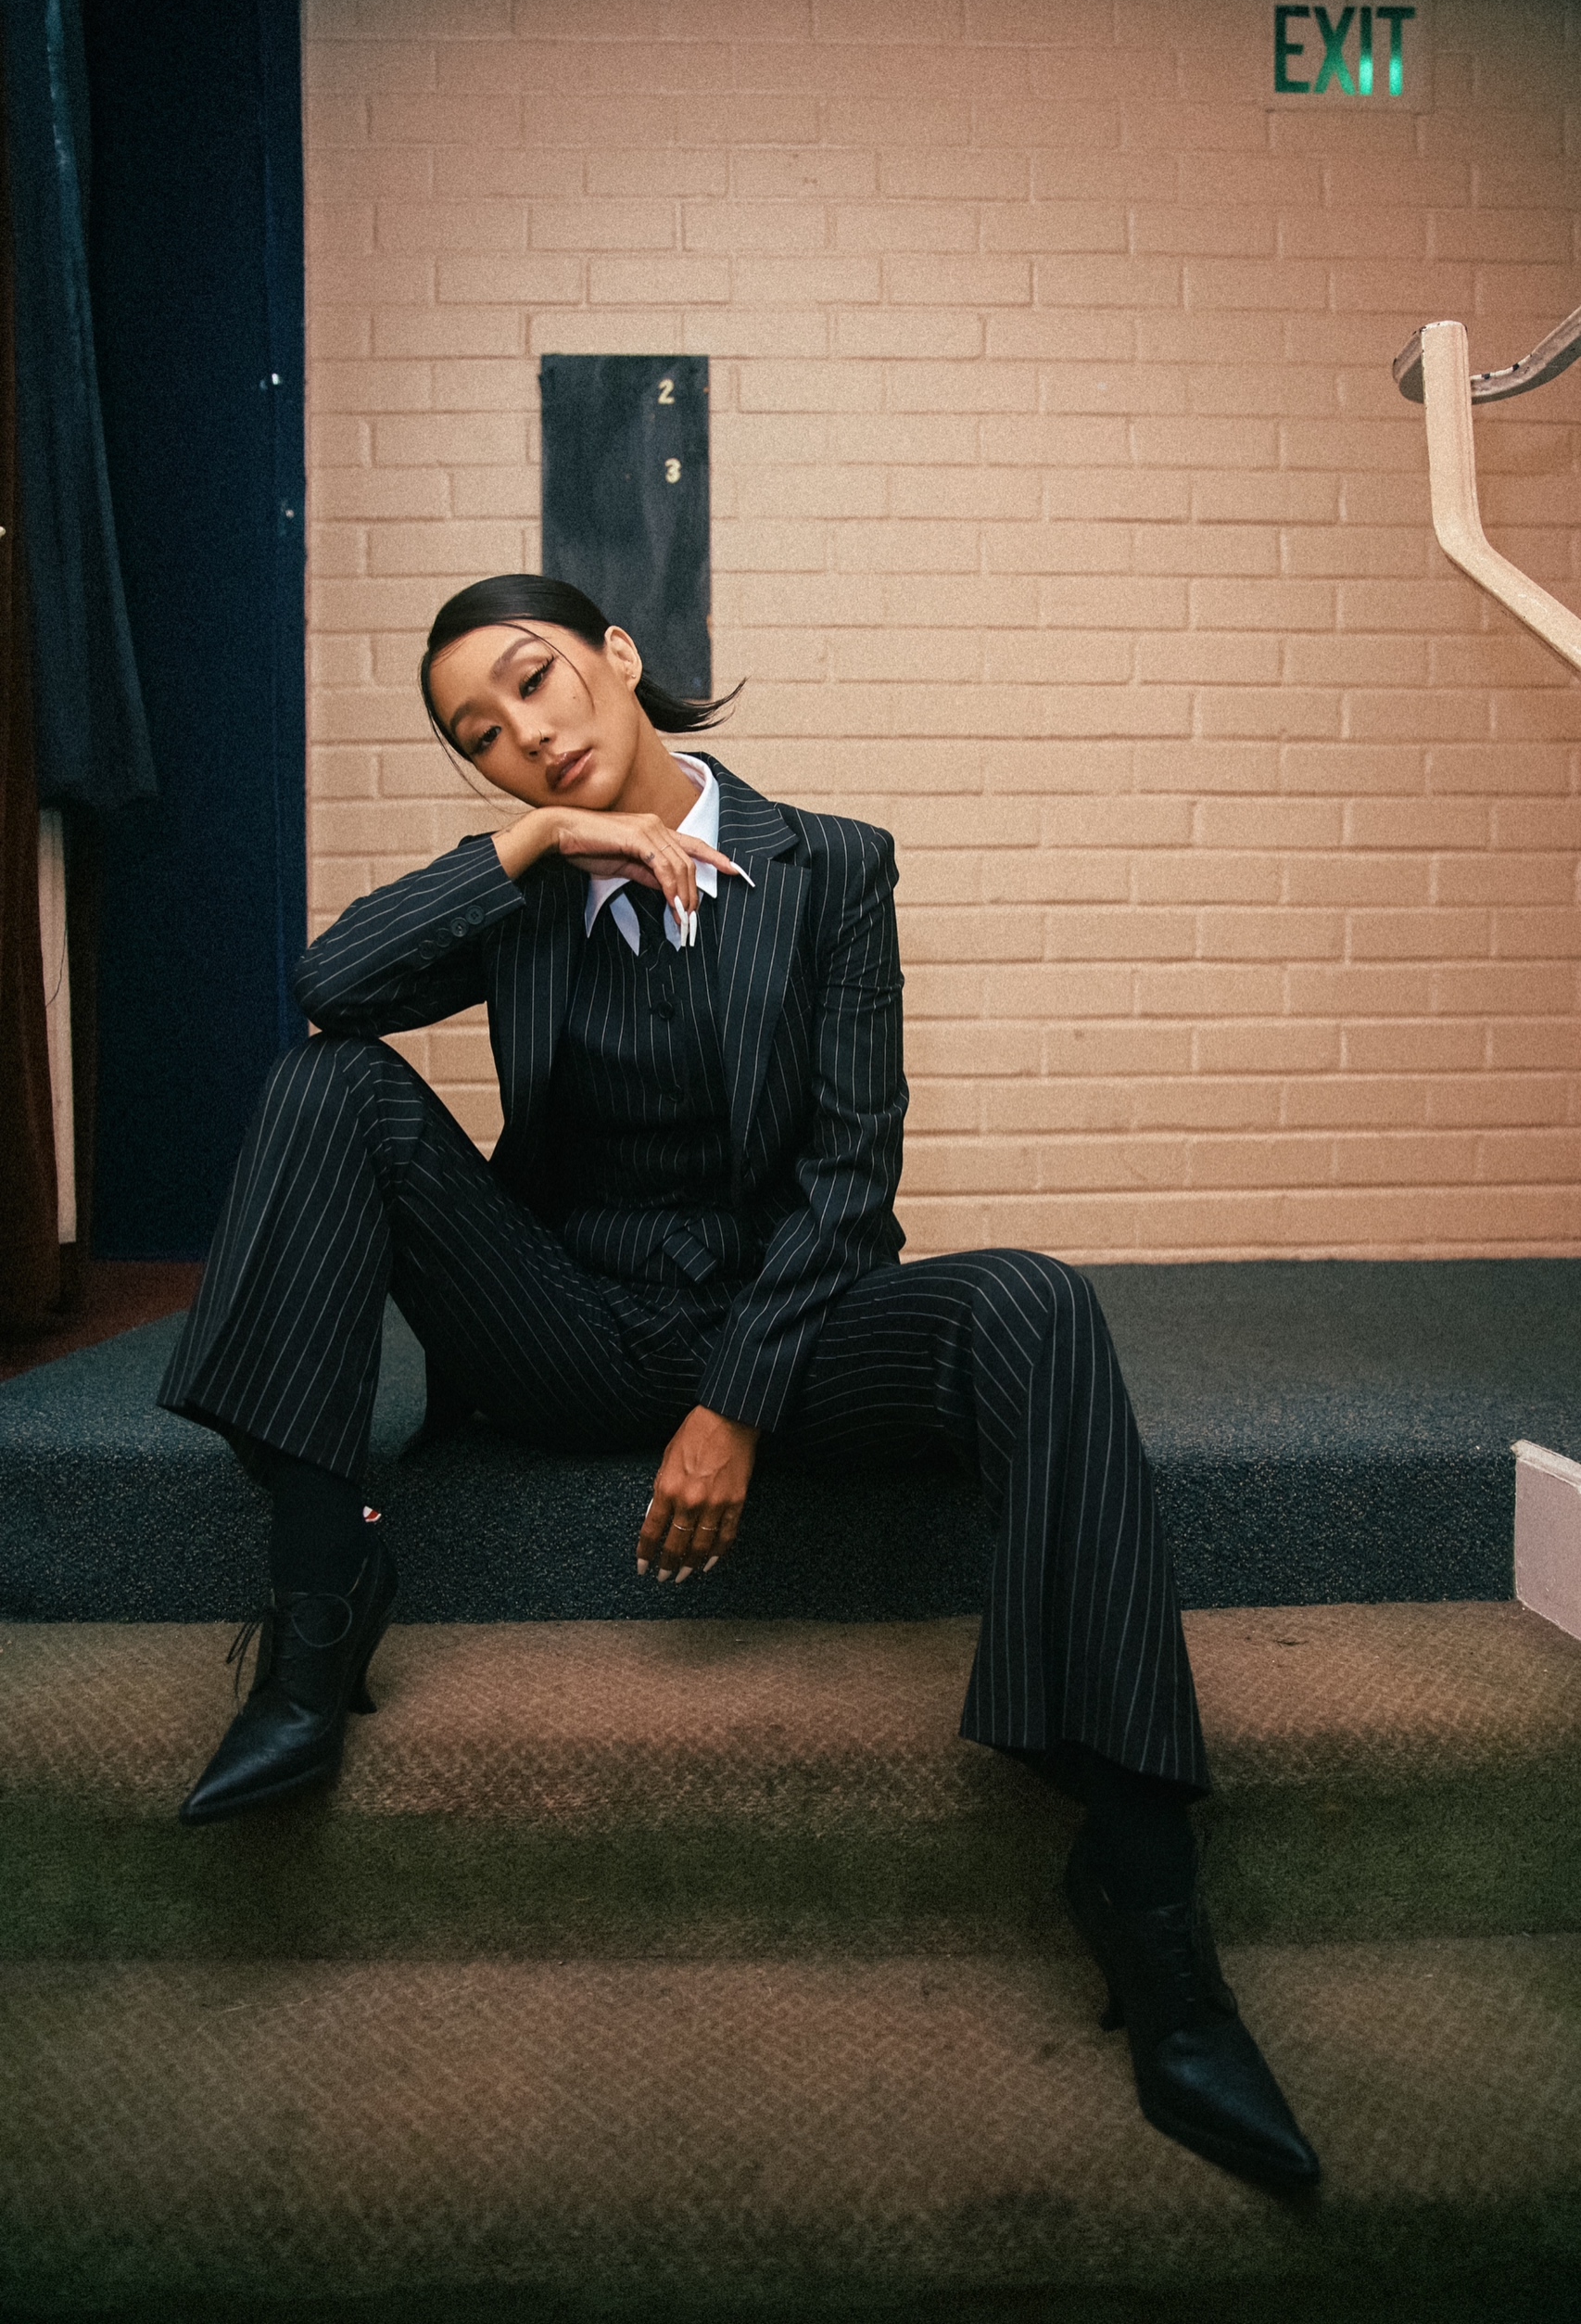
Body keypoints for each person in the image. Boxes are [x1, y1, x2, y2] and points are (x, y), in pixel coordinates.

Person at [160, 574, 1319, 2194]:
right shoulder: (526, 884)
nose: (522, 735)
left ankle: (1147, 1906)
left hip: (783, 1328)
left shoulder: (829, 865)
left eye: (535, 680)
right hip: (566, 1326)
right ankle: (317, 1600)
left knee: (1035, 1305)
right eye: (478, 735)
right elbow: (330, 988)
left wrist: (735, 1407)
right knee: (327, 1084)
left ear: (619, 655)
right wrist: (536, 847)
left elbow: (850, 1177)